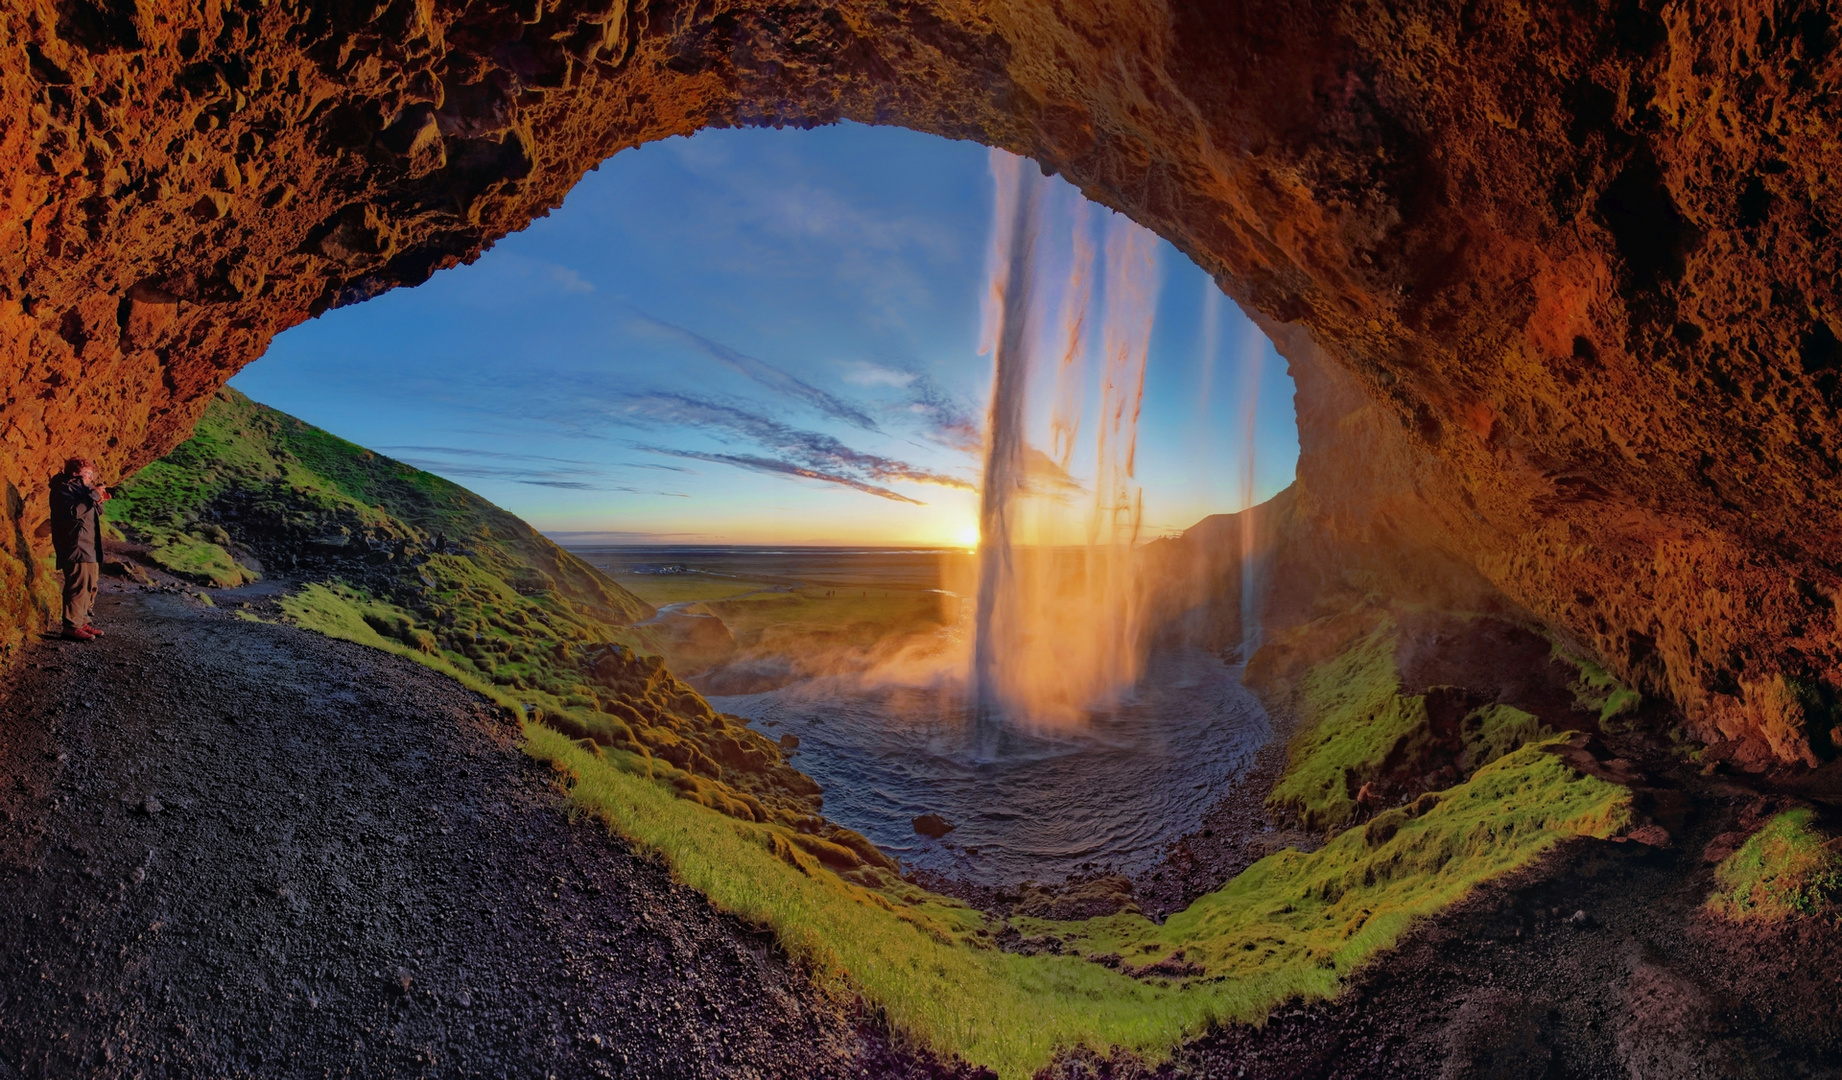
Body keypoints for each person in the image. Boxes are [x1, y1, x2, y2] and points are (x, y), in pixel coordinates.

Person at [49, 457, 109, 641]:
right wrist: (91, 496)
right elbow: (71, 513)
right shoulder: (63, 489)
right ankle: (71, 626)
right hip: (75, 545)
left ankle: (82, 621)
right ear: (75, 474)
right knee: (77, 586)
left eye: (92, 474)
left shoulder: (82, 490)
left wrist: (98, 499)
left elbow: (93, 512)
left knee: (90, 585)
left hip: (89, 545)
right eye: (87, 474)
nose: (91, 478)